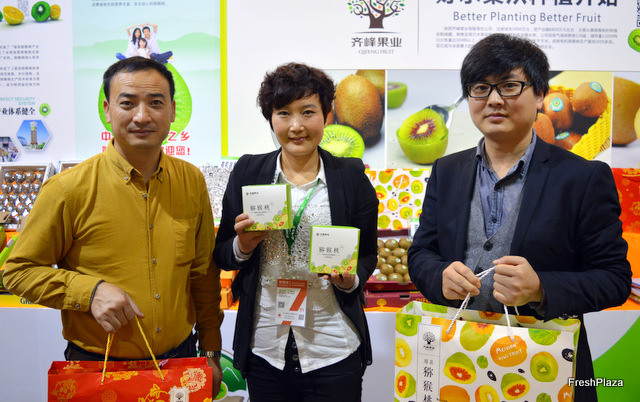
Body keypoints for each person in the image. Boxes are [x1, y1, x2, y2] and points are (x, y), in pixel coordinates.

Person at [407, 33, 631, 402]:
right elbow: (421, 254)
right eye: (480, 88)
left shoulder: (583, 178)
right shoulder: (447, 170)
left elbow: (614, 279)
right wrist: (439, 276)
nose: (494, 100)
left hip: (546, 368)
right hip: (460, 364)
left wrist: (541, 287)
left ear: (540, 94)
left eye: (509, 86)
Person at [3, 57, 224, 397]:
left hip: (179, 363)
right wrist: (88, 292)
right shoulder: (68, 189)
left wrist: (210, 351)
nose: (142, 116)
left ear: (172, 111)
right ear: (108, 110)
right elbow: (18, 272)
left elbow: (203, 273)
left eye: (155, 103)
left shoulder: (190, 180)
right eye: (128, 103)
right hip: (98, 369)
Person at [213, 62, 378, 401]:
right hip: (265, 346)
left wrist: (350, 280)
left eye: (308, 112)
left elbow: (366, 254)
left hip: (332, 345)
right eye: (284, 113)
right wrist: (242, 246)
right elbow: (222, 253)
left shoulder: (350, 175)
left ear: (327, 116)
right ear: (271, 119)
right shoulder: (248, 170)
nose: (296, 125)